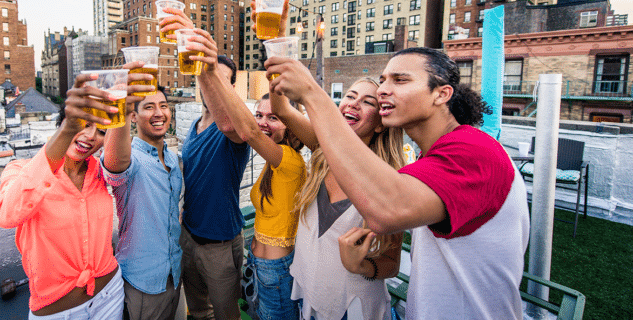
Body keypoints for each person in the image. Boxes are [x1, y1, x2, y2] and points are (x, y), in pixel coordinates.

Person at [265, 47, 530, 320]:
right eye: (383, 80)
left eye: (400, 80)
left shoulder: (474, 149)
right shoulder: (432, 159)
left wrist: (313, 94)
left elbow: (386, 212)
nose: (383, 90)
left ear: (442, 94)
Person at [0, 71, 150, 319]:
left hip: (109, 296)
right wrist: (69, 127)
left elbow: (121, 168)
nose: (89, 136)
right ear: (63, 124)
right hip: (57, 311)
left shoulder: (100, 172)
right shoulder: (22, 169)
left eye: (100, 131)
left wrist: (126, 108)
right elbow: (6, 214)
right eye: (84, 124)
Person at [187, 28, 305, 320]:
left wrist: (205, 67)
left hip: (268, 264)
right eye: (260, 115)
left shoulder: (284, 158)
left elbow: (242, 129)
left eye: (273, 117)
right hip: (253, 259)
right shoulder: (274, 159)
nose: (264, 123)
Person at [272, 77, 405, 320]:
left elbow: (391, 264)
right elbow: (281, 109)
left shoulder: (387, 182)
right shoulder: (323, 150)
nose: (354, 104)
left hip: (352, 308)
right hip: (309, 298)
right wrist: (276, 55)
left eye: (367, 102)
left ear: (379, 125)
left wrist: (359, 265)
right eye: (350, 96)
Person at [161, 11, 251, 320]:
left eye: (220, 79)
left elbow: (230, 125)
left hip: (219, 243)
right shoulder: (194, 126)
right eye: (207, 76)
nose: (211, 83)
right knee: (197, 311)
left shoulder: (233, 129)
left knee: (226, 314)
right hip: (188, 236)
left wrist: (204, 62)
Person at [100, 84, 182, 320]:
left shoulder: (172, 158)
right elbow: (115, 163)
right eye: (149, 107)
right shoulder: (131, 158)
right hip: (143, 281)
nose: (159, 113)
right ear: (133, 116)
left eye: (163, 106)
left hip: (174, 273)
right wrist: (122, 107)